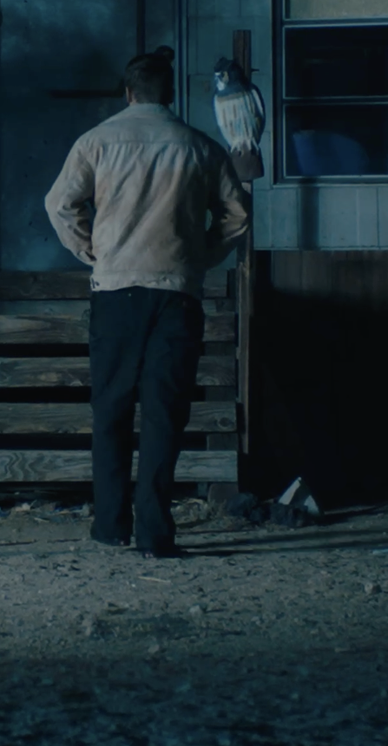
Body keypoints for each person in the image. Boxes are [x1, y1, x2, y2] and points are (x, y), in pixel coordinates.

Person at [44, 46, 251, 557]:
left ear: (129, 92)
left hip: (116, 292)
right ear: (170, 94)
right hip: (176, 293)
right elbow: (237, 216)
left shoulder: (97, 141)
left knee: (111, 411)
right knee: (163, 414)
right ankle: (155, 534)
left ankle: (110, 527)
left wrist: (92, 250)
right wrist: (200, 256)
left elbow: (59, 203)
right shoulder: (199, 146)